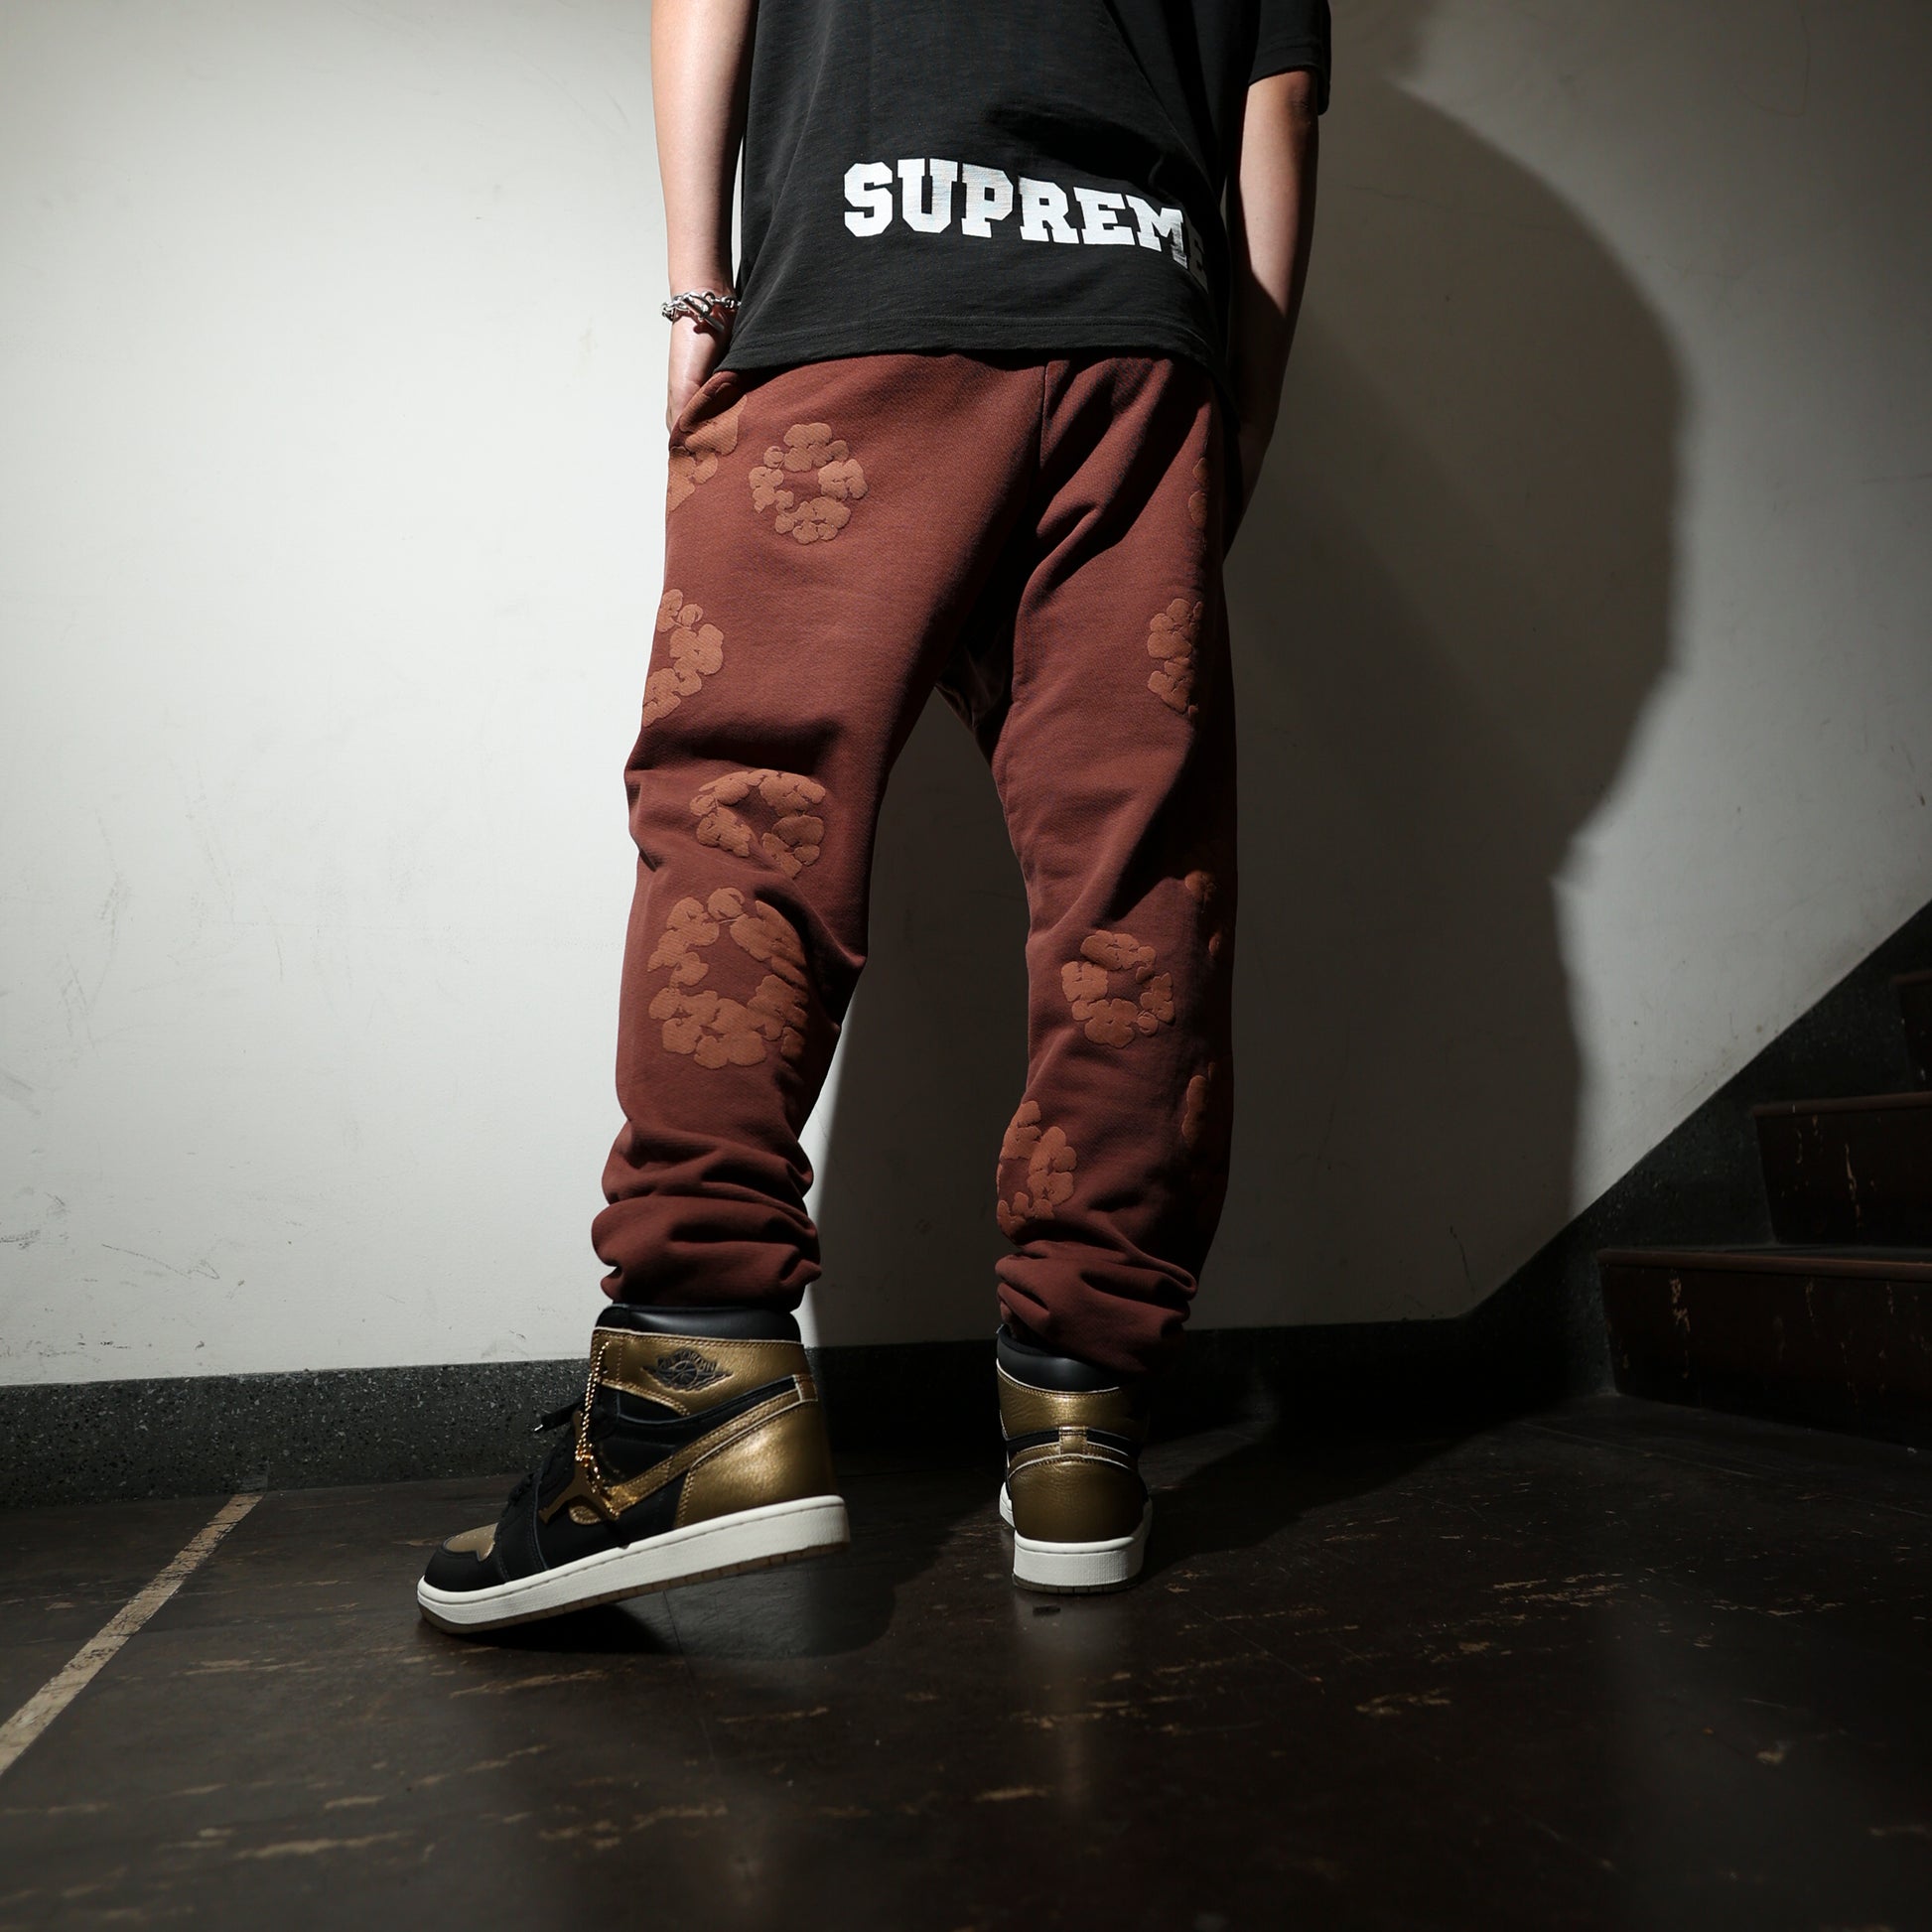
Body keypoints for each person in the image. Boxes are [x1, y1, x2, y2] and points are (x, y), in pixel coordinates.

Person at [417, 0, 1327, 1633]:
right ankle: (1081, 1414)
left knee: (750, 808)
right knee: (1132, 876)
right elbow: (1274, 126)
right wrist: (1237, 416)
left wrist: (699, 290)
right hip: (1144, 336)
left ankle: (692, 1374)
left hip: (862, 291)